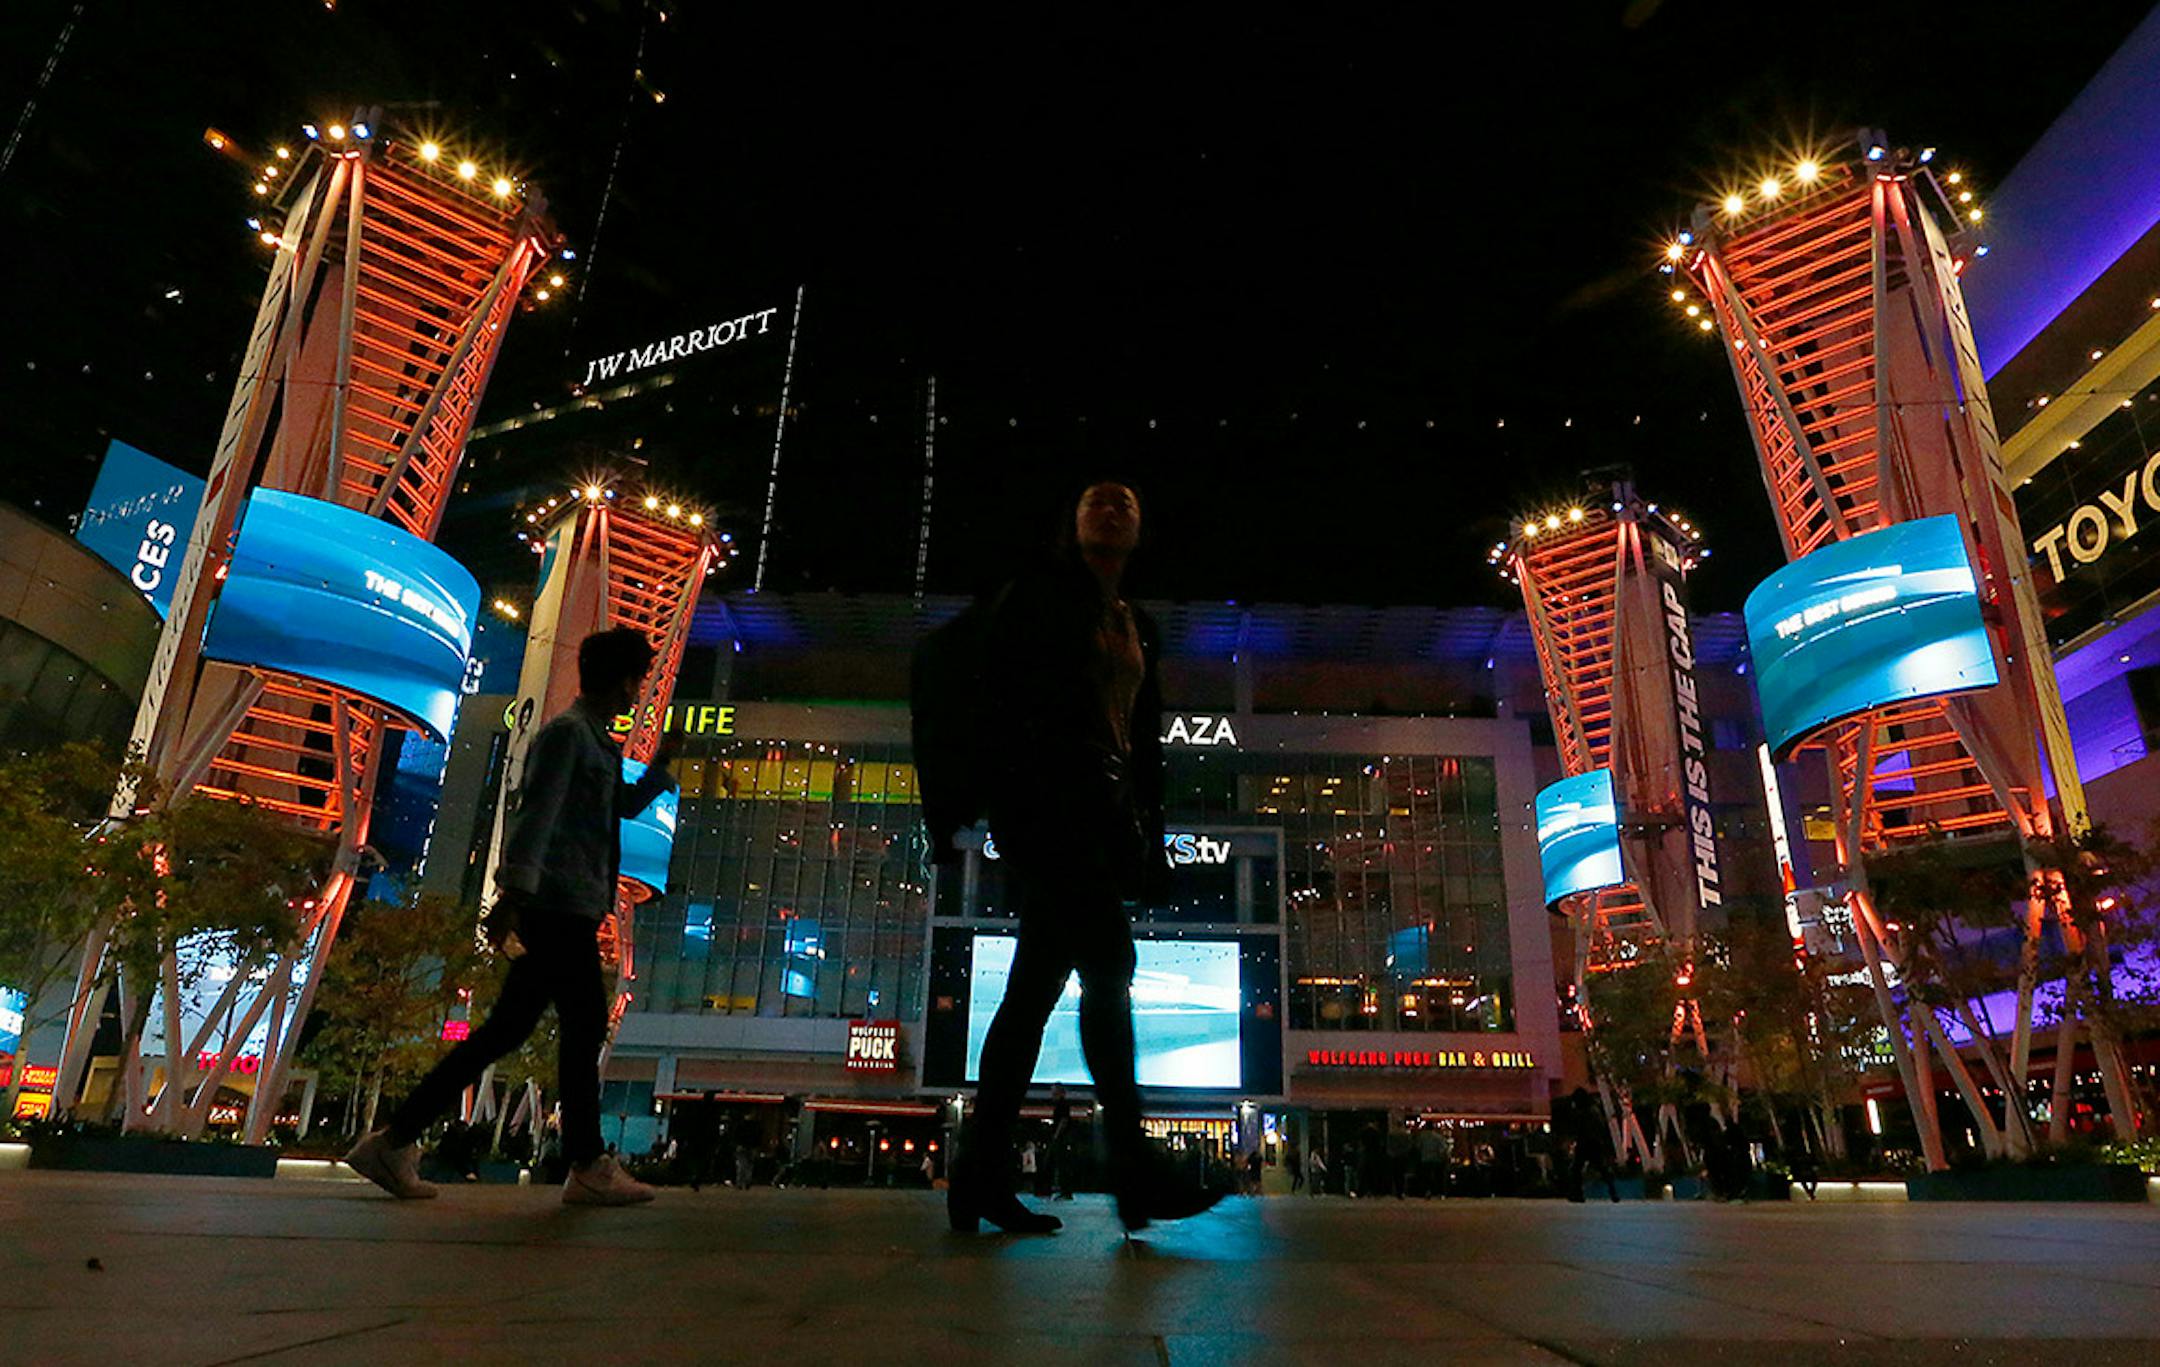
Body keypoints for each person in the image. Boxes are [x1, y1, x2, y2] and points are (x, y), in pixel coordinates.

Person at [947, 481, 1223, 1236]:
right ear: (1070, 523)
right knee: (1110, 965)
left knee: (1032, 994)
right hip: (1051, 809)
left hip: (1102, 816)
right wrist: (1006, 807)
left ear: (1140, 531)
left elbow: (1142, 737)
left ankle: (976, 1181)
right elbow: (998, 703)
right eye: (1096, 499)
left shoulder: (1136, 623)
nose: (1112, 506)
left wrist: (1151, 831)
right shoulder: (1039, 598)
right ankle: (1134, 1171)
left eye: (1127, 501)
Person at [344, 628, 679, 1207]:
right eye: (638, 680)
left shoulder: (596, 741)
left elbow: (609, 809)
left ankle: (395, 1140)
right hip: (556, 906)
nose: (638, 693)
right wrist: (514, 898)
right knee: (580, 1027)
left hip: (569, 904)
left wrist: (656, 772)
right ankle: (585, 1162)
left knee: (511, 1030)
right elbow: (536, 817)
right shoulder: (567, 736)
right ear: (621, 678)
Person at [1564, 1088, 1621, 1204]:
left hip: (1585, 1144)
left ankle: (1577, 1194)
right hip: (1594, 1144)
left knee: (1576, 1169)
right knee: (1602, 1169)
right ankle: (1613, 1192)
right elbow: (1600, 1128)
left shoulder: (1584, 1112)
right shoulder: (1594, 1110)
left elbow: (1579, 1128)